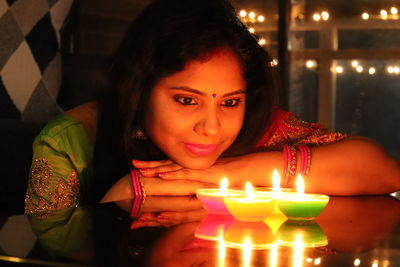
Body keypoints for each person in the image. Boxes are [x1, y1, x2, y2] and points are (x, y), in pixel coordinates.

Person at [24, 0, 400, 219]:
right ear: (138, 90)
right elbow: (46, 246)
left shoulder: (259, 128)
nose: (212, 127)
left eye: (230, 101)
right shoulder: (68, 143)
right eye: (187, 100)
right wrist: (126, 195)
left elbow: (384, 172)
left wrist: (232, 172)